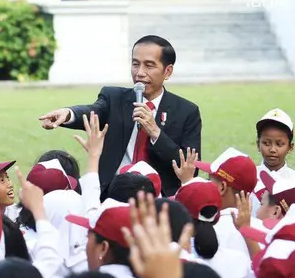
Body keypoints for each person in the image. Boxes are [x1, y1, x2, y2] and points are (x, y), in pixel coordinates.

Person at [38, 35, 202, 196]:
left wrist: (155, 132)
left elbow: (190, 168)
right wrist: (68, 114)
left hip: (159, 198)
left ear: (168, 71)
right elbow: (93, 112)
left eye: (149, 66)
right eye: (135, 64)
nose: (140, 73)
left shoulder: (187, 112)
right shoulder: (114, 97)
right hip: (113, 193)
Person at [251, 108, 295, 215]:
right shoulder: (248, 179)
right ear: (258, 145)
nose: (272, 149)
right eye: (266, 143)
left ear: (290, 147)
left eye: (279, 144)